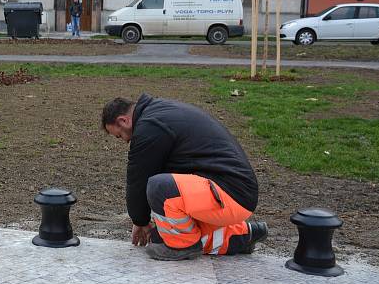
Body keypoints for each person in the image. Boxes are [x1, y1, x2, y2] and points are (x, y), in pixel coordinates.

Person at [101, 94, 267, 261]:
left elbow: (137, 180)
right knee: (159, 236)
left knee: (158, 187)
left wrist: (140, 220)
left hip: (229, 194)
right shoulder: (159, 113)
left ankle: (182, 247)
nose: (125, 140)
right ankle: (242, 234)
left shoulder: (149, 127)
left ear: (124, 121)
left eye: (119, 135)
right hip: (235, 192)